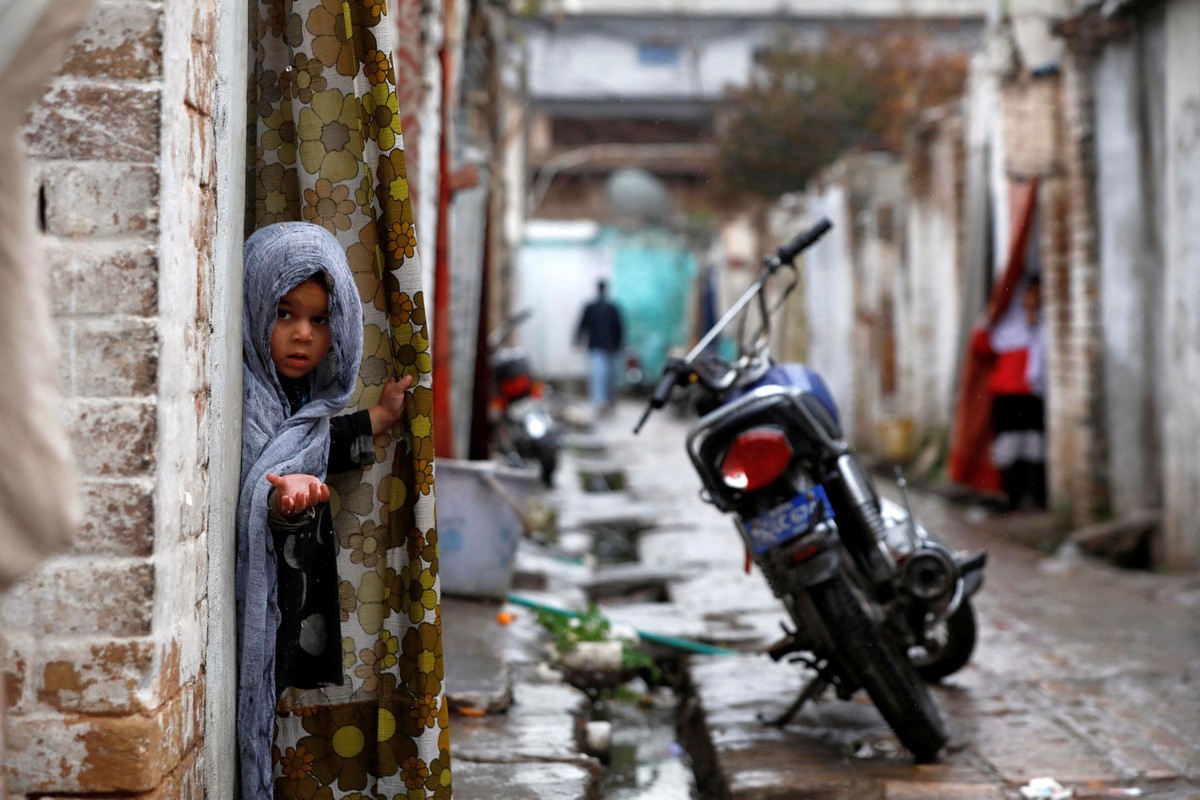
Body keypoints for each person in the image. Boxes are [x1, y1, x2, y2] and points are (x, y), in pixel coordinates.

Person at [236, 222, 413, 798]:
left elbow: (318, 445)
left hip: (289, 595)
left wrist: (381, 418)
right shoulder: (241, 400)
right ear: (255, 305)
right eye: (284, 314)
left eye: (318, 320)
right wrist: (282, 503)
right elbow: (258, 481)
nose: (301, 336)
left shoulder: (304, 408)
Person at [973, 274, 1046, 511]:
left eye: (1038, 293)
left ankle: (1036, 496)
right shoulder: (1007, 325)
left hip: (1035, 394)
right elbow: (982, 346)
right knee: (1009, 447)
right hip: (1007, 395)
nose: (1035, 298)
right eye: (1030, 292)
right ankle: (1010, 496)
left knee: (1034, 446)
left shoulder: (1045, 325)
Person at [575, 278, 625, 415]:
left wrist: (578, 341)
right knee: (603, 377)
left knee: (602, 377)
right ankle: (602, 403)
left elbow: (581, 326)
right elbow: (619, 328)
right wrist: (619, 345)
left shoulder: (597, 307)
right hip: (605, 347)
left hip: (602, 347)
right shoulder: (610, 307)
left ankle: (604, 402)